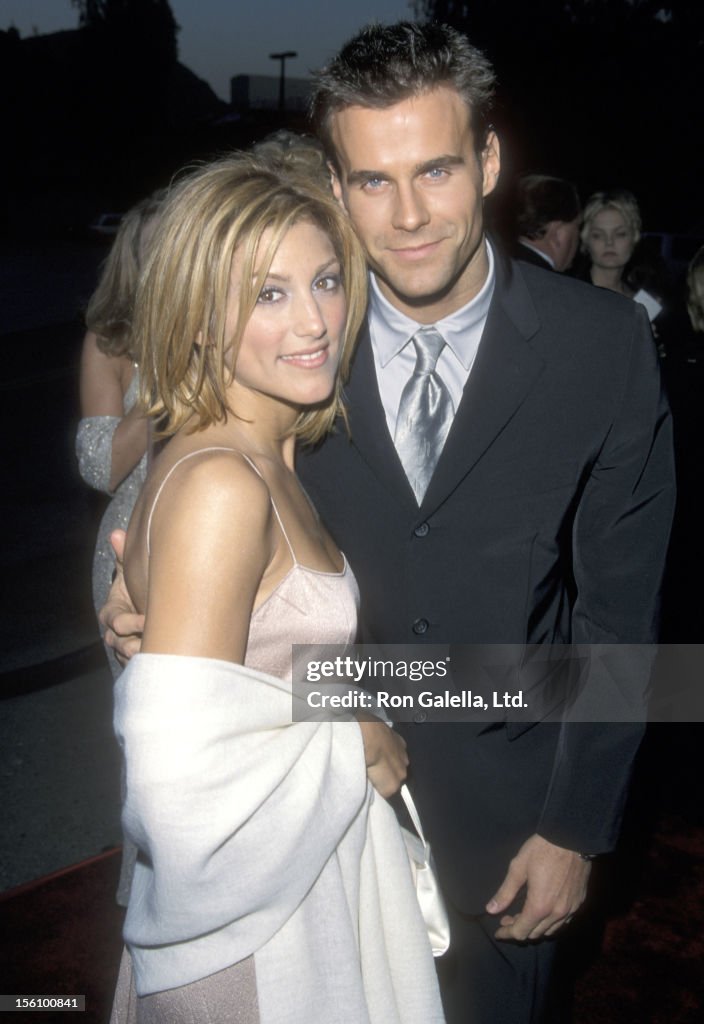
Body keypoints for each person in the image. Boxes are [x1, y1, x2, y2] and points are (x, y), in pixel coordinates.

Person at [103, 22, 675, 1023]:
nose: (407, 216)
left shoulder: (604, 348)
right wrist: (143, 599)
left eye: (436, 170)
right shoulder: (293, 335)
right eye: (370, 181)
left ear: (488, 160)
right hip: (315, 837)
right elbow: (194, 484)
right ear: (332, 183)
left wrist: (575, 828)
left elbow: (618, 620)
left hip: (513, 824)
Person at [107, 152, 445, 1024]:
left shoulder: (266, 454)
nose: (316, 321)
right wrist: (356, 742)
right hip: (250, 949)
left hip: (299, 897)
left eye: (326, 280)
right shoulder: (224, 484)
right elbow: (178, 801)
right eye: (268, 293)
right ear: (194, 319)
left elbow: (271, 665)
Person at [75, 193, 163, 667]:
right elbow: (100, 468)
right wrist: (168, 379)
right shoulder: (111, 341)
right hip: (132, 546)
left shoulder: (229, 323)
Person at [513, 173, 581, 272]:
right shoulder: (552, 284)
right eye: (577, 227)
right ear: (558, 233)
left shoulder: (496, 268)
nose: (580, 238)